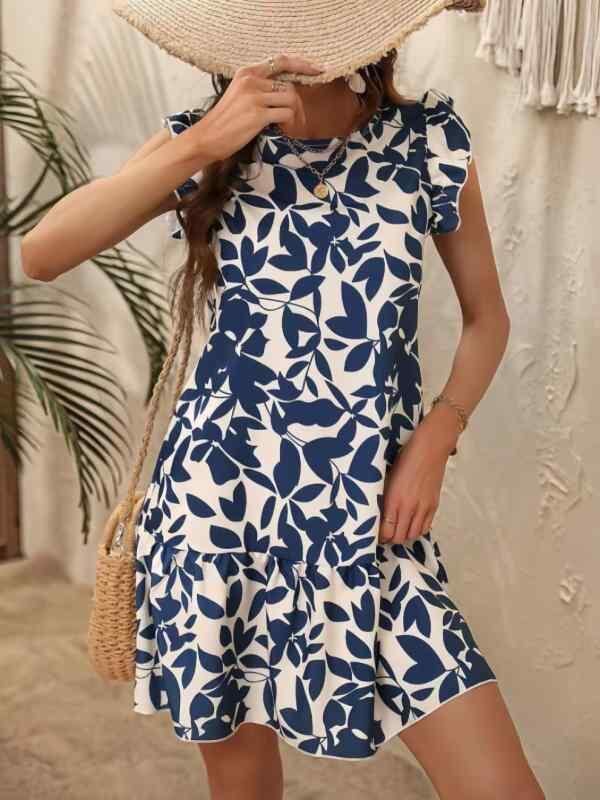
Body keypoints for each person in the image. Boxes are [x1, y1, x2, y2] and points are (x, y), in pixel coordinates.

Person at [21, 1, 545, 798]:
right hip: (219, 508)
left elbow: (488, 319)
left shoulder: (427, 140)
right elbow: (41, 253)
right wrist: (202, 144)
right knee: (242, 784)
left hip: (366, 518)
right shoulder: (207, 141)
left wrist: (437, 438)